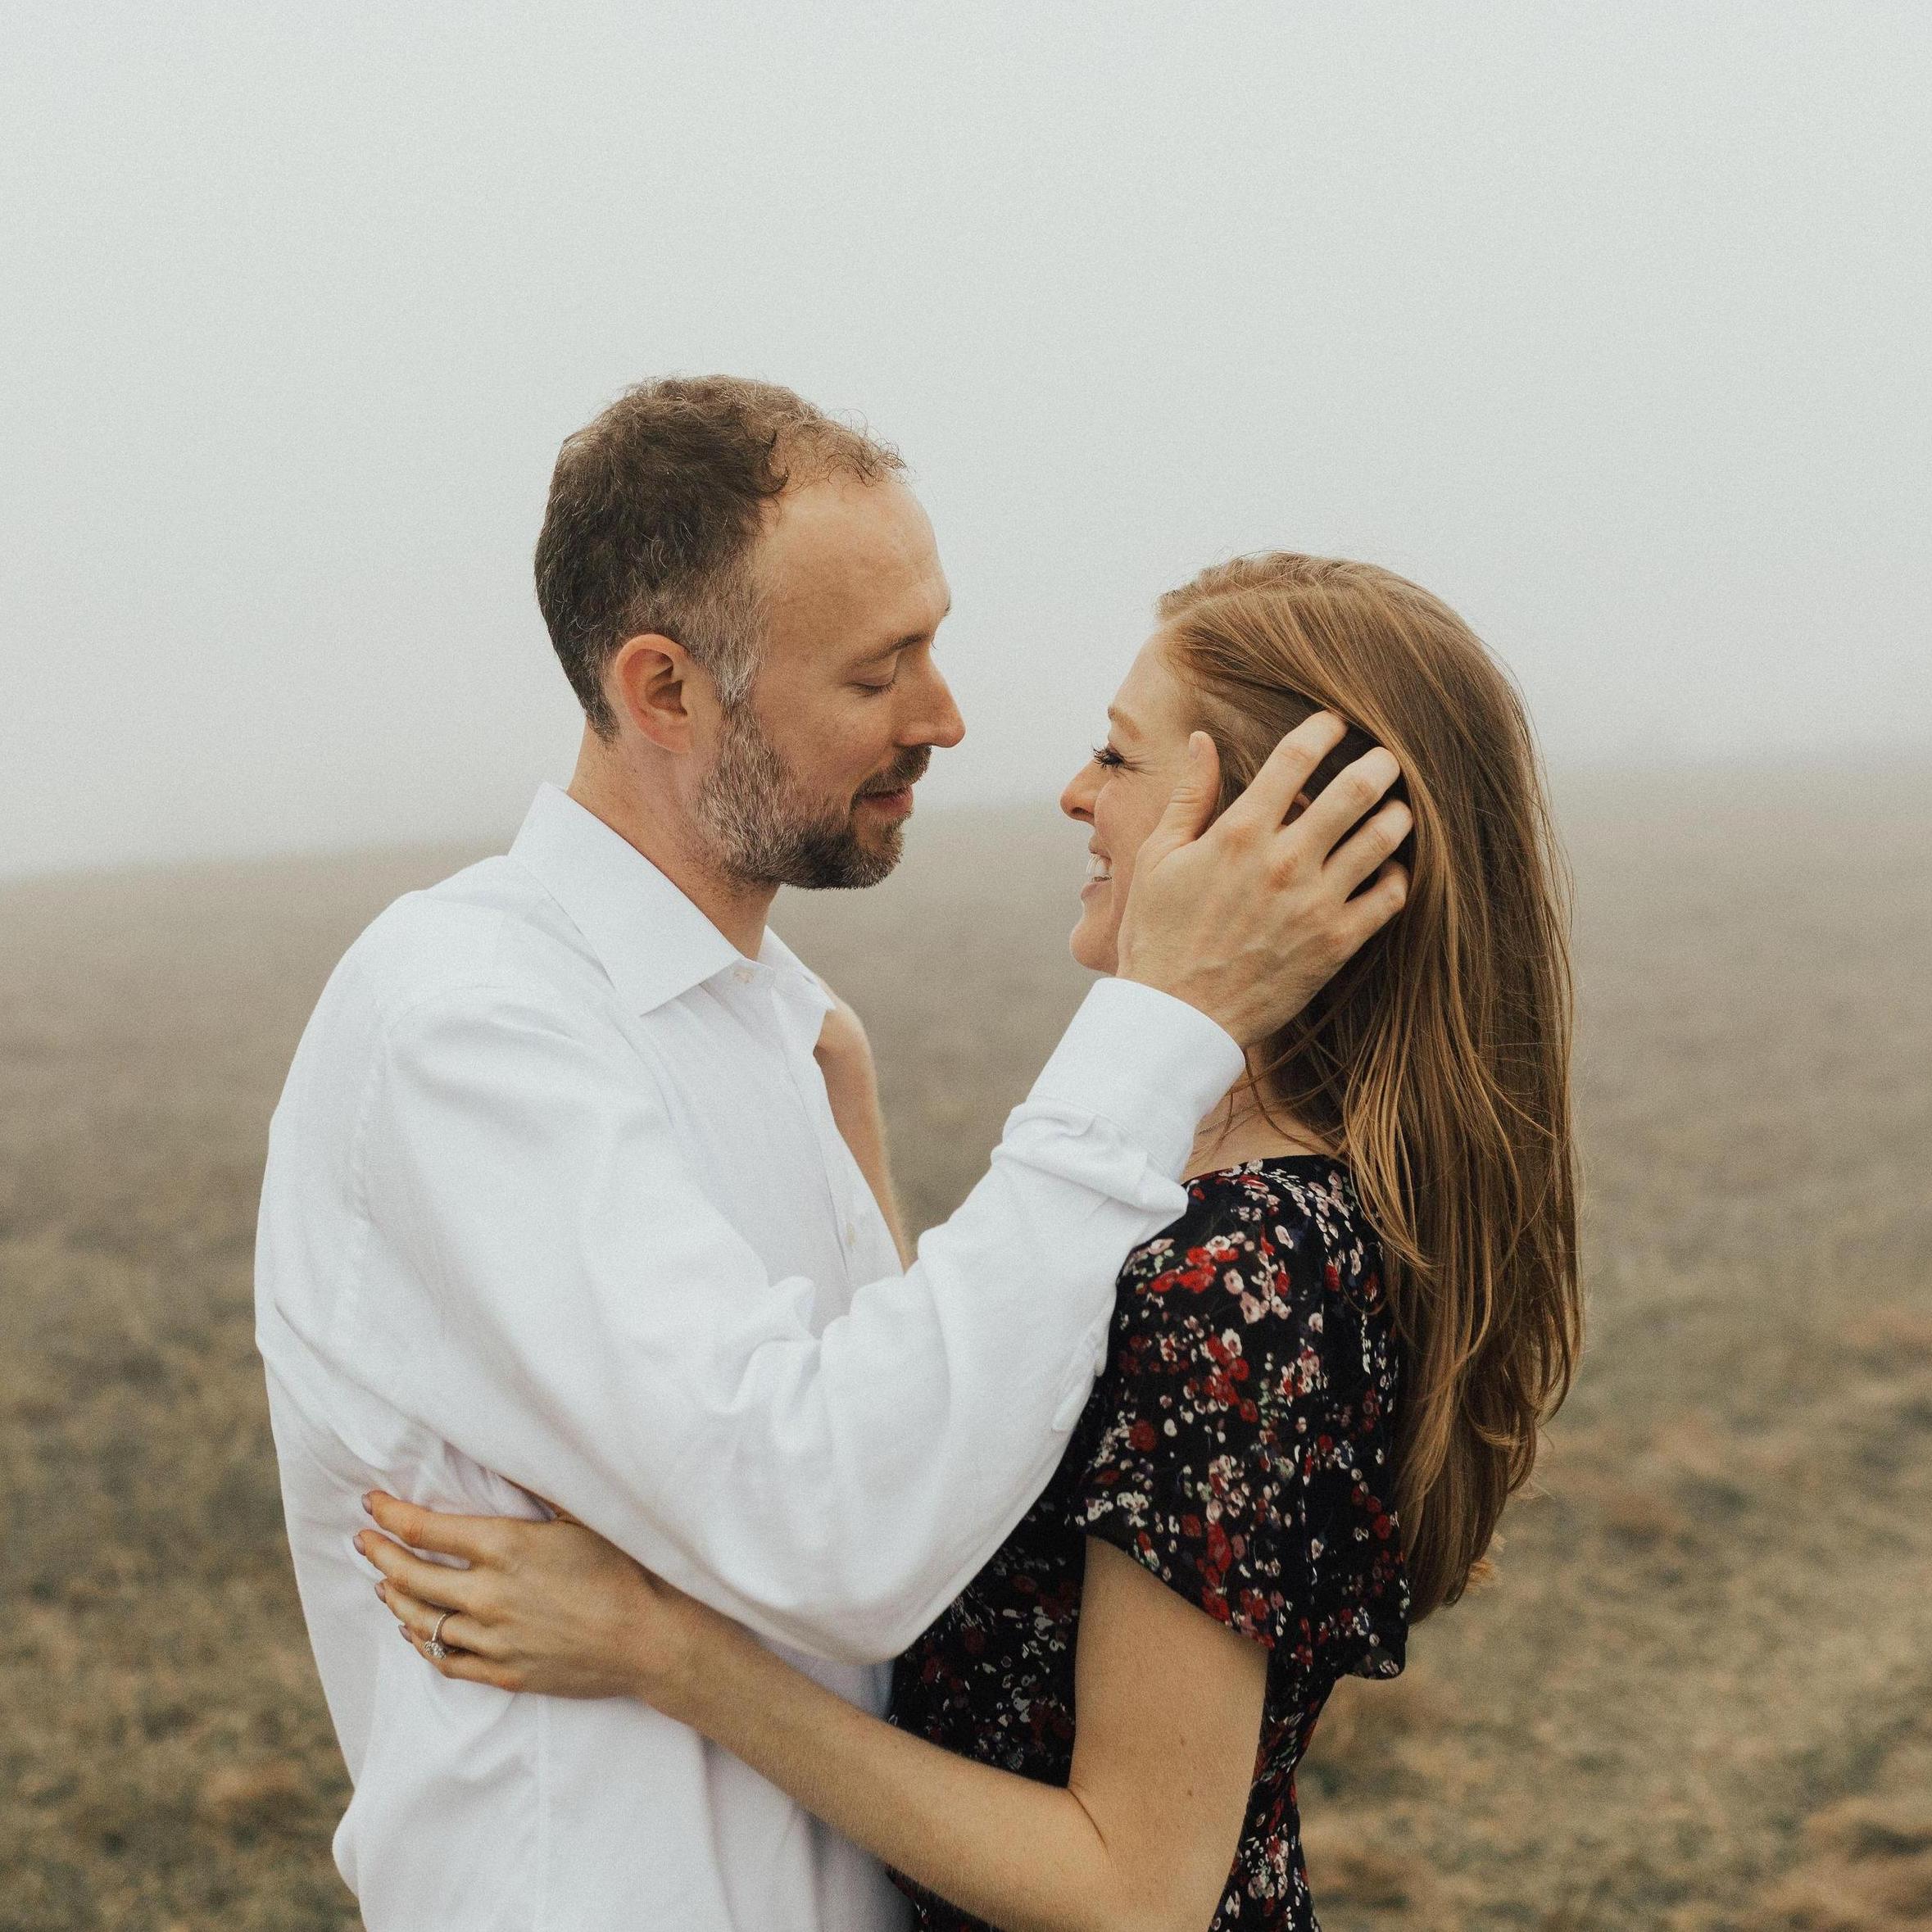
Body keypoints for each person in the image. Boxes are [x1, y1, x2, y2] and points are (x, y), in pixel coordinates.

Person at [254, 381, 1410, 1932]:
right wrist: (1157, 1026)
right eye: (879, 670)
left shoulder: (778, 1035)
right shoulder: (469, 1025)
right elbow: (833, 1527)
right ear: (666, 691)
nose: (943, 717)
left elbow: (931, 1495)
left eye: (932, 641)